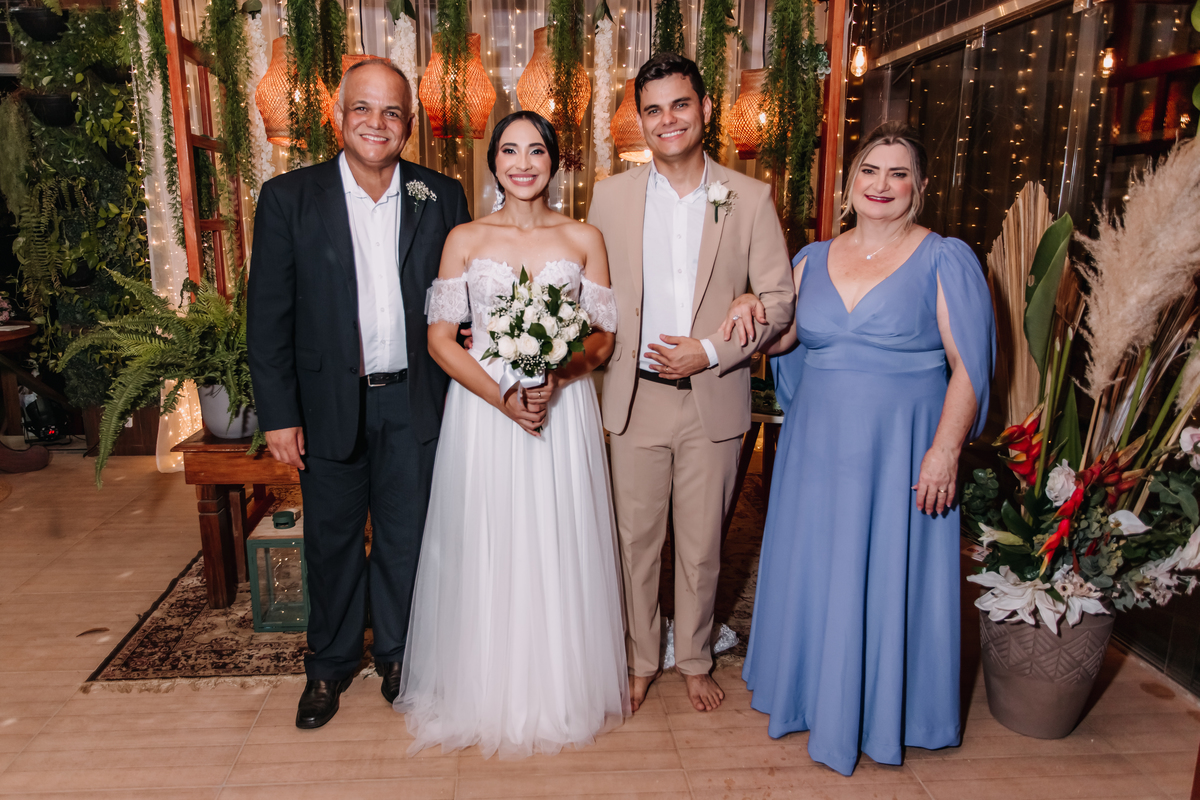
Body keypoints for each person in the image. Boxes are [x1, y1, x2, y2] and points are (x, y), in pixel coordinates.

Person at [732, 122, 995, 775]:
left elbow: (969, 366)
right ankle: (812, 696)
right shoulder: (810, 258)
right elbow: (781, 342)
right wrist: (750, 306)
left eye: (898, 173)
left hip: (900, 452)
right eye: (870, 171)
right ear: (850, 183)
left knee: (885, 575)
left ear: (920, 186)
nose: (882, 185)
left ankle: (882, 713)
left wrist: (945, 450)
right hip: (816, 450)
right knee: (820, 568)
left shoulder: (945, 259)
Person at [394, 111, 629, 758]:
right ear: (493, 162)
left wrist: (558, 374)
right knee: (487, 535)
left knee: (558, 535)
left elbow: (603, 338)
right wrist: (502, 395)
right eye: (509, 151)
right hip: (484, 409)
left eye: (536, 151)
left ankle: (559, 688)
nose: (522, 163)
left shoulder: (584, 237)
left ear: (555, 161)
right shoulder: (464, 238)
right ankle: (482, 686)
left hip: (562, 409)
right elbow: (441, 340)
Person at [247, 60, 471, 730]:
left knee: (408, 537)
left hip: (415, 398)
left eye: (392, 111)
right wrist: (279, 414)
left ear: (410, 124)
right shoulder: (288, 198)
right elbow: (268, 318)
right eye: (363, 109)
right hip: (326, 405)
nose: (377, 123)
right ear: (338, 116)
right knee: (331, 540)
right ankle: (330, 664)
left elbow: (464, 302)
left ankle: (401, 655)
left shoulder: (442, 195)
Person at [587, 53, 795, 714]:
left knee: (703, 548)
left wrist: (707, 352)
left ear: (705, 109)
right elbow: (591, 296)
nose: (667, 120)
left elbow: (779, 302)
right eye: (653, 110)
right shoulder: (610, 197)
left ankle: (696, 659)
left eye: (680, 104)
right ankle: (640, 660)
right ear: (640, 120)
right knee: (635, 543)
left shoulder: (749, 197)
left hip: (714, 398)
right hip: (634, 398)